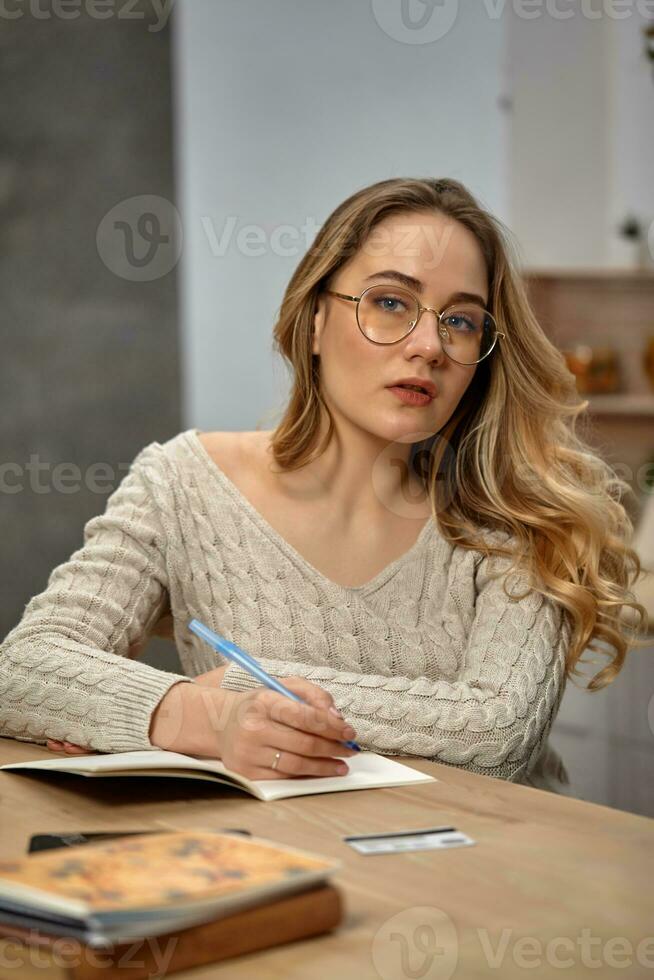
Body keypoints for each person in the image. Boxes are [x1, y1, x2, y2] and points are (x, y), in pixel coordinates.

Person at [0, 177, 648, 793]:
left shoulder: (515, 510)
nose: (428, 345)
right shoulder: (184, 482)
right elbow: (22, 670)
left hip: (491, 877)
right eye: (391, 303)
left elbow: (499, 732)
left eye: (460, 321)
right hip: (281, 864)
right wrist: (192, 717)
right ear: (313, 321)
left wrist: (236, 693)